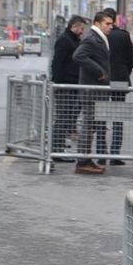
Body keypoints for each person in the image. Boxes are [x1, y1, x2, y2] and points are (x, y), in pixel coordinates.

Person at [72, 11, 113, 175]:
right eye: (107, 24)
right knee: (88, 126)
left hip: (96, 91)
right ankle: (82, 161)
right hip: (91, 91)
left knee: (91, 127)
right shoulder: (91, 38)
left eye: (111, 24)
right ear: (97, 24)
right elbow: (78, 56)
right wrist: (99, 72)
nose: (110, 27)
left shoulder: (100, 38)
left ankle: (86, 159)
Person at [100, 7, 133, 166]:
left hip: (102, 79)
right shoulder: (123, 35)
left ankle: (100, 154)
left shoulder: (100, 36)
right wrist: (124, 72)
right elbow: (131, 59)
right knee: (118, 118)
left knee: (101, 117)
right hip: (120, 78)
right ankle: (115, 154)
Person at [50, 15, 86, 161]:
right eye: (81, 28)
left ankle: (59, 148)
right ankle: (56, 150)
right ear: (74, 27)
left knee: (67, 118)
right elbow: (57, 63)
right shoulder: (64, 40)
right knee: (62, 118)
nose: (83, 31)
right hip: (65, 84)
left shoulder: (74, 40)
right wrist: (57, 84)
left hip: (71, 84)